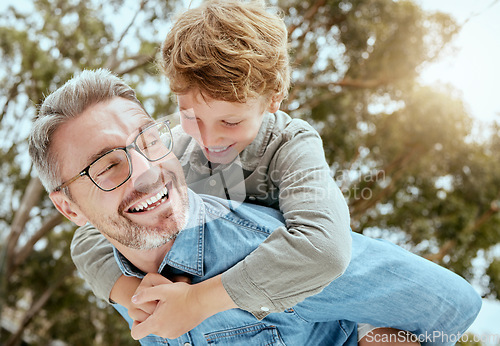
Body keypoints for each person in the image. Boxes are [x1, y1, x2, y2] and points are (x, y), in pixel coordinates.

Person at [29, 69, 481, 346]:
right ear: (70, 208)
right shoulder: (123, 250)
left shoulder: (268, 249)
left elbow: (448, 304)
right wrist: (136, 298)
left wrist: (200, 301)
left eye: (148, 139)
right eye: (106, 165)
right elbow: (86, 245)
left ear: (270, 104)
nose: (146, 169)